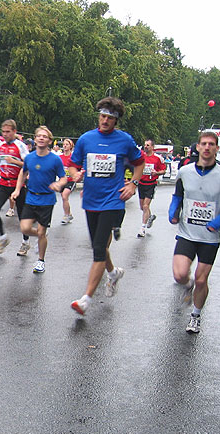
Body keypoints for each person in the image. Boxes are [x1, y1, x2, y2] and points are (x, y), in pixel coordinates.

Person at [67, 97, 144, 315]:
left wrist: (133, 184)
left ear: (116, 121)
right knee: (98, 246)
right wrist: (76, 174)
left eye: (110, 118)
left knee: (99, 249)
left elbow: (139, 163)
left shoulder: (125, 141)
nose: (105, 121)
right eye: (102, 116)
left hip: (113, 201)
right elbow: (73, 164)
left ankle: (86, 299)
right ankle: (113, 272)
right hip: (91, 200)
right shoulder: (86, 139)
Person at [169, 131, 220, 333]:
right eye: (204, 144)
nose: (207, 147)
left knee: (202, 280)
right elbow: (178, 196)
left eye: (212, 144)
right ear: (198, 147)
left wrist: (216, 222)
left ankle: (195, 315)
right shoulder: (185, 172)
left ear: (217, 149)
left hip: (209, 237)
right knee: (180, 274)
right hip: (187, 232)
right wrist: (173, 213)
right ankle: (188, 284)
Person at [11, 126, 66, 273]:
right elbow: (23, 174)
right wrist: (17, 190)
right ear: (35, 139)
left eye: (45, 136)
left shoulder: (55, 159)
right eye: (39, 136)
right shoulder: (29, 157)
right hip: (31, 197)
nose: (41, 138)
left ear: (49, 140)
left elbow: (63, 177)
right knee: (25, 228)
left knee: (41, 231)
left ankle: (40, 261)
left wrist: (59, 184)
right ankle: (41, 236)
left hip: (46, 200)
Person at [0, 119, 30, 255]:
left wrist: (14, 161)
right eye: (3, 132)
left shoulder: (20, 146)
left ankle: (25, 242)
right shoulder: (1, 146)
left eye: (8, 132)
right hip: (3, 184)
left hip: (17, 184)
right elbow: (3, 162)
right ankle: (3, 237)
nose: (5, 134)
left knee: (22, 217)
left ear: (14, 131)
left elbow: (28, 164)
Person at [137, 139, 167, 237]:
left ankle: (142, 228)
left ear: (152, 147)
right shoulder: (141, 156)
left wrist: (156, 173)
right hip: (141, 183)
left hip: (151, 184)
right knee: (142, 207)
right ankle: (150, 217)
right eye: (145, 145)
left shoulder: (158, 158)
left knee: (146, 206)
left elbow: (163, 170)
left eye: (148, 145)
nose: (146, 147)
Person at [59, 138, 79, 224]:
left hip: (71, 181)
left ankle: (66, 216)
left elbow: (78, 167)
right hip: (62, 180)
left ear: (71, 146)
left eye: (67, 144)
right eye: (64, 144)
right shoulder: (60, 157)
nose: (65, 146)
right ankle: (69, 214)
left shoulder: (73, 157)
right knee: (64, 199)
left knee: (64, 196)